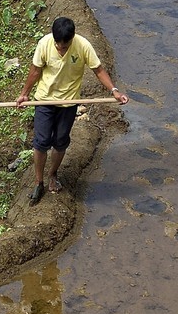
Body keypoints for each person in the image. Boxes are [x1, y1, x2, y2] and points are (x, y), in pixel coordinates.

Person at [15, 16, 129, 203]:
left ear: (72, 38)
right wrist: (24, 94)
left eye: (65, 46)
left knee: (60, 142)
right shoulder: (44, 44)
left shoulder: (83, 46)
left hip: (68, 103)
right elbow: (35, 71)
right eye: (58, 46)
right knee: (41, 142)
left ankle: (52, 175)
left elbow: (98, 70)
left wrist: (114, 90)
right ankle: (38, 181)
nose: (61, 49)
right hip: (44, 100)